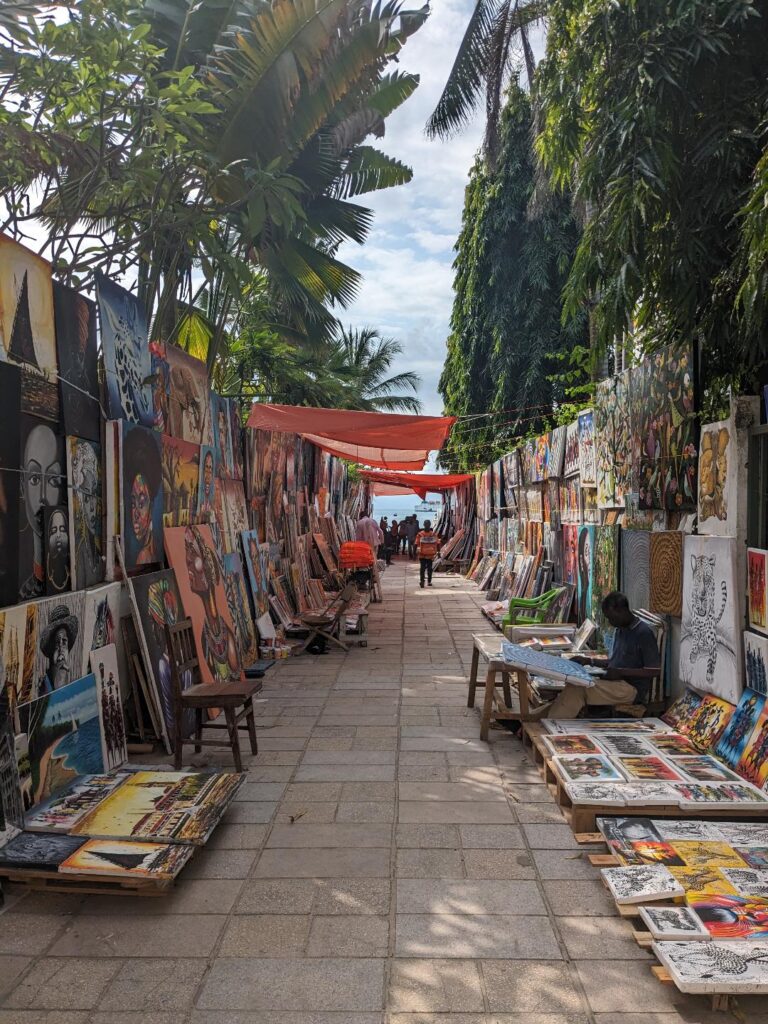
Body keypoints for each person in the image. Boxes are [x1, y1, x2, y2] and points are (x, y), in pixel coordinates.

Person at [535, 591, 660, 719]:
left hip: (631, 689)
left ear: (622, 610)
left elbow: (654, 671)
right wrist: (588, 661)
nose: (610, 622)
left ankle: (551, 724)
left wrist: (621, 672)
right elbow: (614, 661)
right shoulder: (620, 630)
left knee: (579, 689)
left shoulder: (643, 633)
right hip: (616, 682)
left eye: (612, 617)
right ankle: (537, 720)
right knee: (574, 685)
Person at [415, 520, 441, 588]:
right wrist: (438, 552)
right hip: (430, 554)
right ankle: (429, 581)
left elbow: (416, 544)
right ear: (430, 525)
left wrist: (414, 553)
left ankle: (422, 581)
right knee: (429, 568)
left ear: (423, 524)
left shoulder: (420, 534)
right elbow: (438, 544)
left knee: (422, 568)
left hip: (422, 554)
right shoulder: (433, 534)